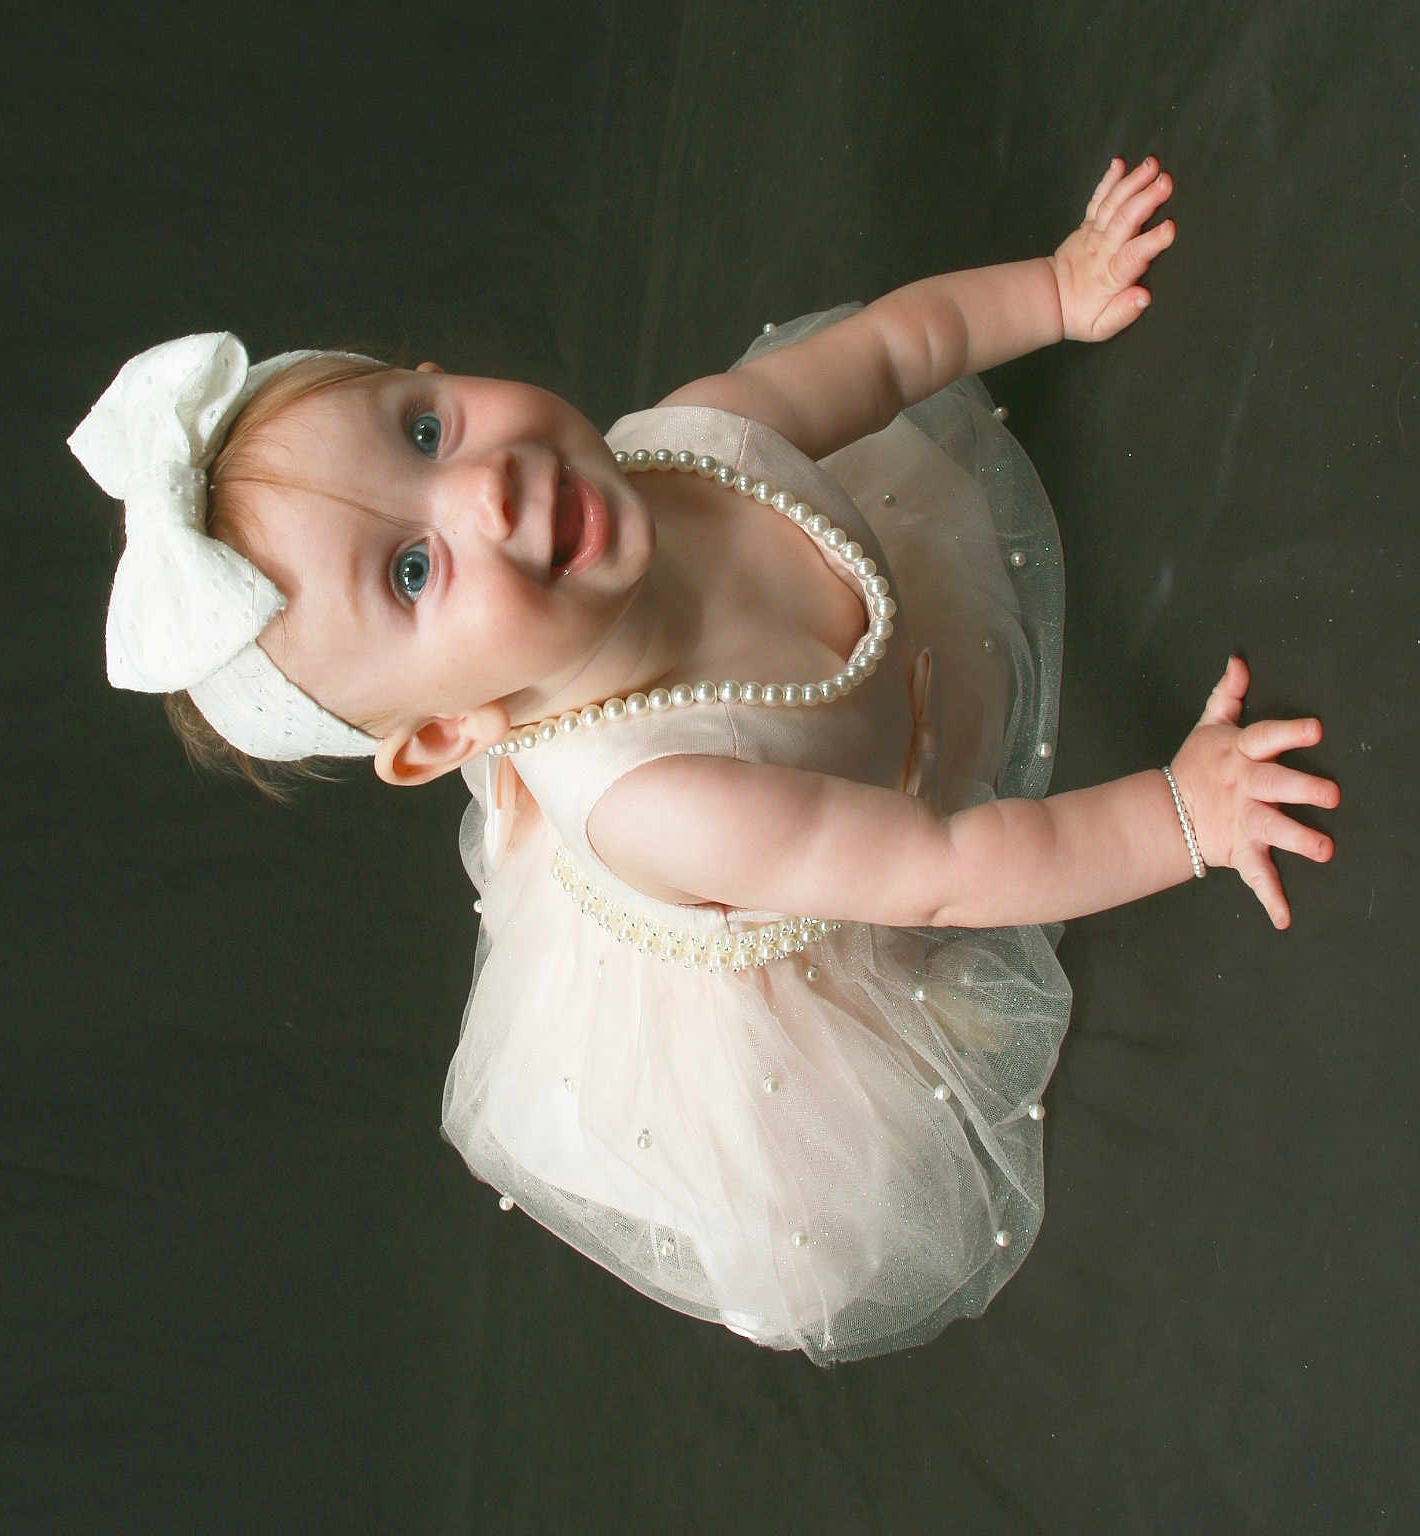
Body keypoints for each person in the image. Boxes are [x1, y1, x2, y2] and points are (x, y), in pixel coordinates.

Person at [69, 157, 1338, 1365]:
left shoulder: (700, 435)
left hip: (843, 696)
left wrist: (1053, 290)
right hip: (812, 858)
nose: (485, 493)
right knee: (890, 934)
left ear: (438, 373)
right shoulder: (670, 803)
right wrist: (1183, 813)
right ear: (452, 736)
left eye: (423, 431)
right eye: (412, 572)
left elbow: (897, 350)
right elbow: (948, 869)